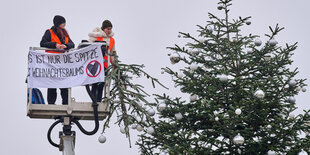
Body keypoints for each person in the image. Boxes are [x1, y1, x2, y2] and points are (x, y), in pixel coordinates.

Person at [40, 15, 75, 105]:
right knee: (52, 84)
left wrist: (66, 46)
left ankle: (66, 103)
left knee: (64, 84)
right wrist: (55, 45)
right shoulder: (49, 32)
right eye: (62, 22)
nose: (64, 24)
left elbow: (72, 44)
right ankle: (51, 103)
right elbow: (43, 43)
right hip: (52, 63)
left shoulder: (65, 34)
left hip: (63, 64)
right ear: (58, 23)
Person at [88, 20, 116, 102]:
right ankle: (93, 101)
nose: (109, 31)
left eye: (110, 29)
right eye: (108, 29)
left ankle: (99, 101)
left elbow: (112, 53)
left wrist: (114, 64)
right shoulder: (96, 36)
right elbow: (88, 47)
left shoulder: (112, 40)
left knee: (102, 84)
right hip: (96, 64)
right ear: (103, 28)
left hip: (105, 65)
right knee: (95, 84)